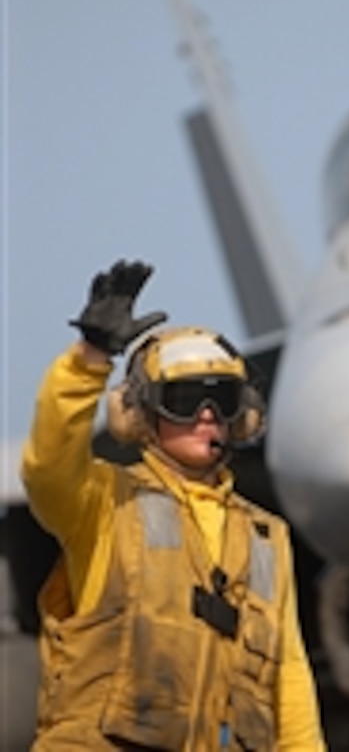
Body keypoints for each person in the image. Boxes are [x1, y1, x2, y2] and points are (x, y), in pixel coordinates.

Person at [21, 259, 327, 751]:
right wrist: (90, 359)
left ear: (242, 415)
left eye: (222, 399)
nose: (207, 415)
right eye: (184, 399)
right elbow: (47, 468)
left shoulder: (266, 538)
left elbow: (289, 677)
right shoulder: (105, 503)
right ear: (139, 413)